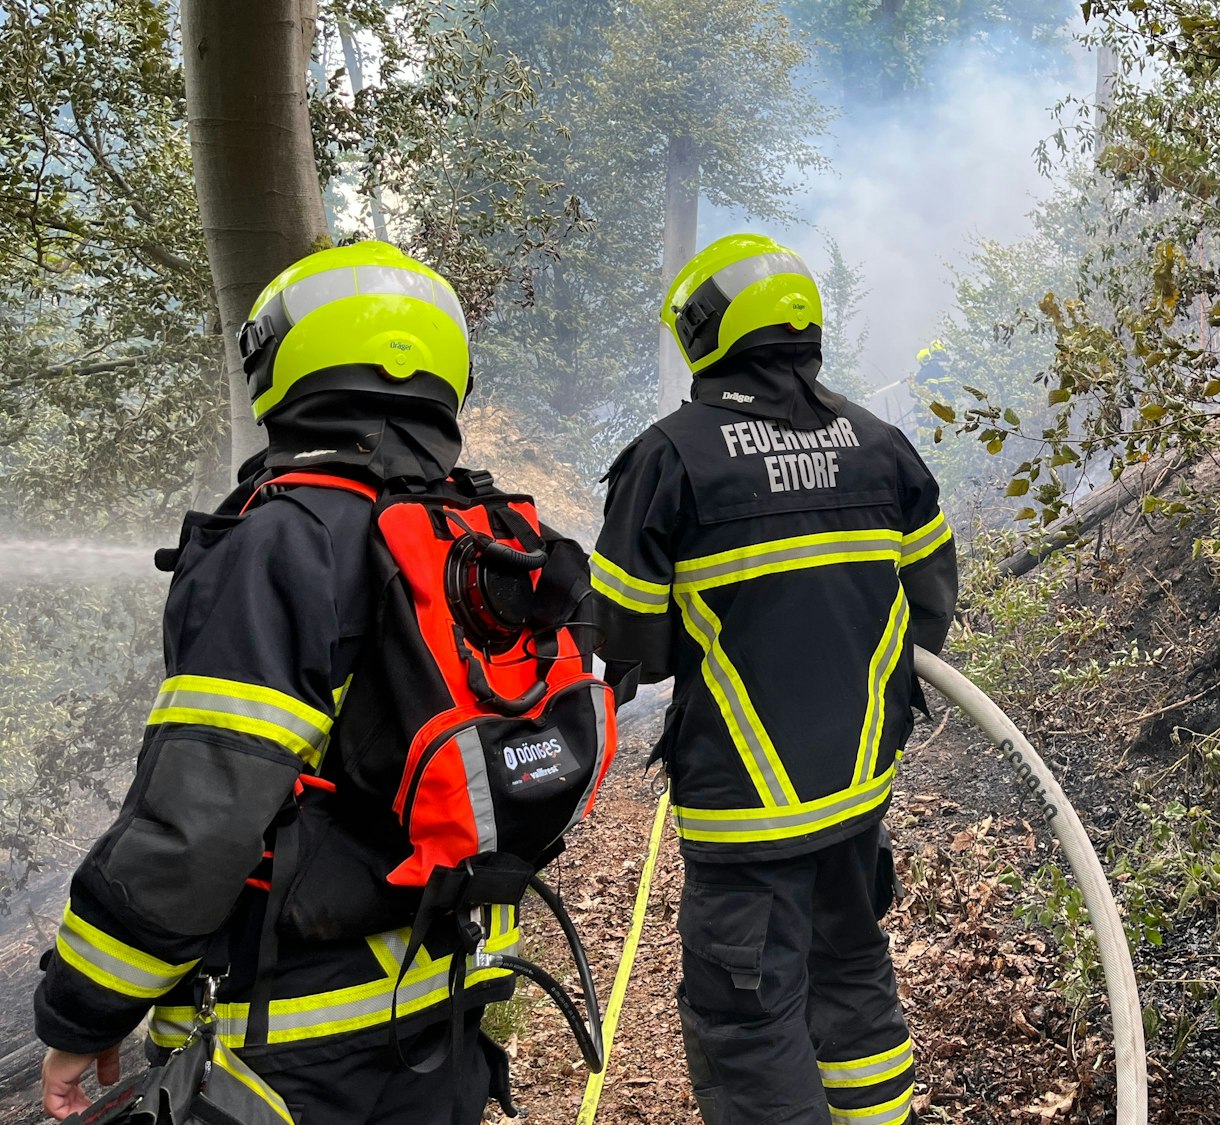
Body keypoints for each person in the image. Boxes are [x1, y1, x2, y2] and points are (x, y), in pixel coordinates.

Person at [37, 242, 537, 1124]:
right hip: (440, 1005)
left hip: (289, 1046)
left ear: (282, 358)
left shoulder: (285, 540)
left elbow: (199, 822)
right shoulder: (473, 531)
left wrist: (81, 1009)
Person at [591, 233, 958, 1125]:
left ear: (705, 331)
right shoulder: (882, 447)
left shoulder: (671, 457)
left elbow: (630, 641)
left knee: (747, 1018)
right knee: (850, 969)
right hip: (857, 788)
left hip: (746, 806)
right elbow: (931, 608)